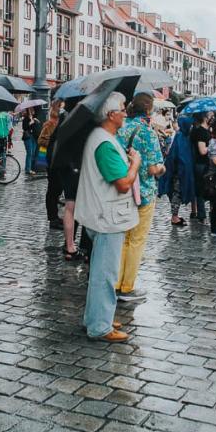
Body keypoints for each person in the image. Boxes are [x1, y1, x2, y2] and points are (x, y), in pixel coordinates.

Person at [75, 92, 140, 342]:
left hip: (103, 213)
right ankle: (100, 326)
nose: (125, 113)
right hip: (108, 217)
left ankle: (97, 316)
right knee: (105, 274)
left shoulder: (101, 137)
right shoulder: (104, 142)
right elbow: (123, 183)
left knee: (100, 272)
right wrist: (135, 162)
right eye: (123, 109)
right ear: (111, 115)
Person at [116, 92, 165, 302]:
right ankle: (127, 287)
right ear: (148, 109)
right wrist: (163, 168)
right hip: (143, 193)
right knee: (136, 240)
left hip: (122, 190)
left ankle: (116, 281)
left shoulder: (121, 128)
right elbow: (154, 168)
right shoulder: (148, 132)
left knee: (121, 239)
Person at [158, 115, 196, 227]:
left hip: (182, 170)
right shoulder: (181, 137)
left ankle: (176, 216)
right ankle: (174, 217)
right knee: (177, 193)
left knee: (178, 192)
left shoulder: (185, 136)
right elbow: (175, 155)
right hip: (178, 172)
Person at [41, 99, 64, 230]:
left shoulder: (60, 123)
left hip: (56, 159)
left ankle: (54, 216)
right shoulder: (49, 124)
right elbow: (42, 141)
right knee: (53, 190)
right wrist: (52, 140)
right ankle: (52, 218)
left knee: (56, 190)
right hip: (51, 160)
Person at [189, 112, 211, 223]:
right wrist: (212, 146)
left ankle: (200, 213)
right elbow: (202, 151)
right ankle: (201, 215)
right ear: (204, 117)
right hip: (201, 163)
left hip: (201, 163)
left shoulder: (200, 130)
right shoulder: (201, 132)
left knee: (202, 189)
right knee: (201, 190)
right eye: (209, 115)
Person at [21, 108, 41, 175]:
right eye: (30, 110)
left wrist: (36, 122)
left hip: (34, 137)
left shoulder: (35, 118)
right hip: (28, 137)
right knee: (29, 153)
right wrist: (30, 123)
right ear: (28, 111)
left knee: (33, 153)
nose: (32, 111)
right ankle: (28, 169)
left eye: (33, 110)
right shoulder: (25, 119)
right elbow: (24, 128)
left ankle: (32, 168)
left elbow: (37, 128)